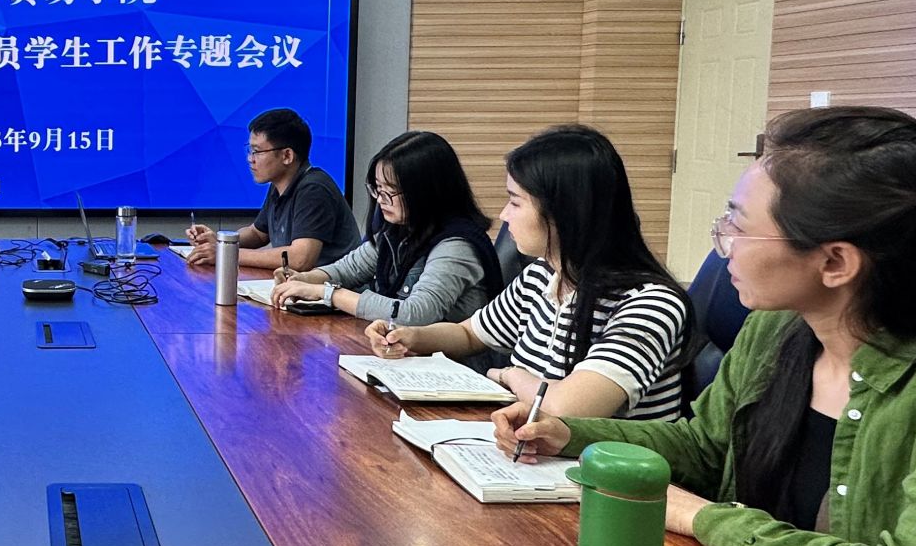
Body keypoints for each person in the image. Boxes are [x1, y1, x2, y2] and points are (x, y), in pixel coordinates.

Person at [497, 108, 916, 546]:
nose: (722, 244)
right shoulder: (777, 330)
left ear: (835, 262)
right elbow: (706, 448)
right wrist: (570, 434)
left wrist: (706, 519)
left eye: (738, 225)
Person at [368, 124, 689, 421]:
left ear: (563, 212)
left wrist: (509, 375)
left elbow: (567, 410)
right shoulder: (542, 274)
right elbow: (469, 334)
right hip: (531, 449)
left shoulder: (649, 303)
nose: (504, 215)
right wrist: (411, 336)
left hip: (599, 463)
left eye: (515, 202)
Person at [271, 130, 501, 325]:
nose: (381, 200)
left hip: (447, 362)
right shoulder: (401, 230)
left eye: (390, 190)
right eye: (377, 188)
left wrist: (328, 293)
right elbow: (347, 269)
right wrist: (304, 279)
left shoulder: (456, 246)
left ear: (427, 192)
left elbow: (416, 314)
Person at [184, 108, 360, 273]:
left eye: (257, 151)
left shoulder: (314, 189)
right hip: (301, 287)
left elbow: (301, 259)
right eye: (249, 150)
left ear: (287, 156)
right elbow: (257, 234)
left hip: (333, 291)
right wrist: (221, 242)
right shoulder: (280, 184)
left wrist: (225, 254)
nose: (250, 159)